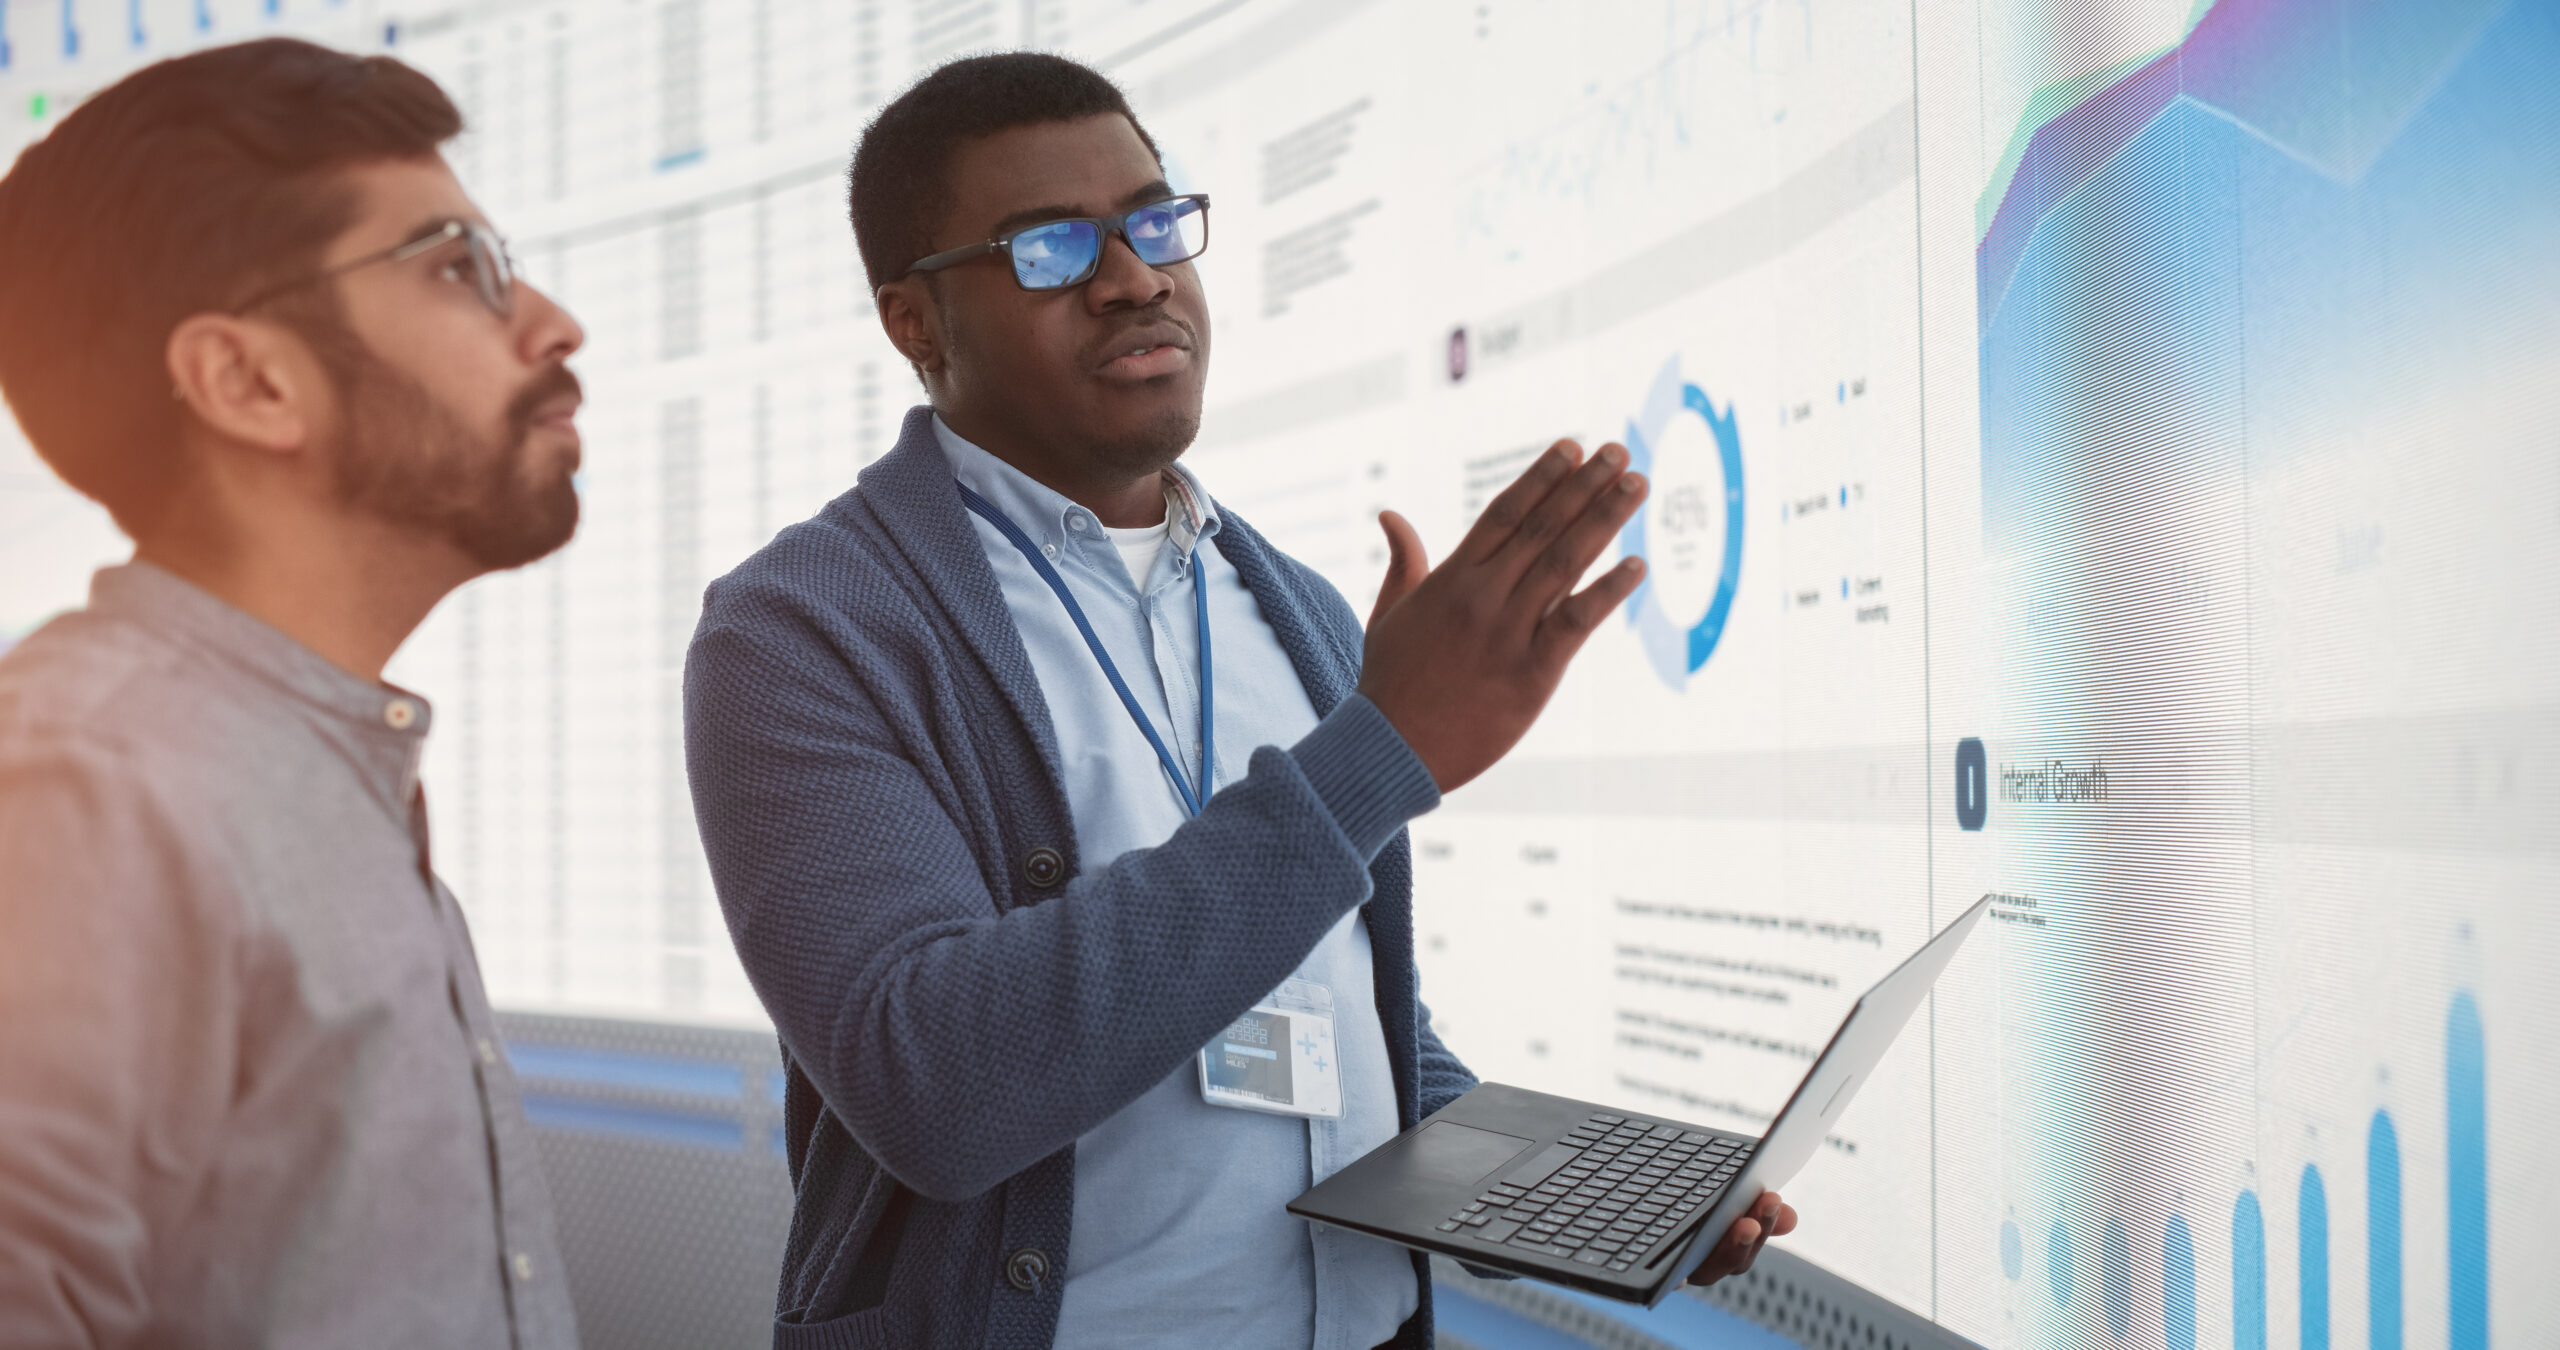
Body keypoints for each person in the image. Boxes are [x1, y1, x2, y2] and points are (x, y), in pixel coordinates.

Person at [683, 53, 1796, 1349]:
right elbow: (936, 1084)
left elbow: (1354, 1040)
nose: (1136, 277)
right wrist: (1382, 749)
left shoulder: (1301, 609)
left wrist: (1600, 1197)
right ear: (915, 324)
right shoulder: (806, 628)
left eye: (1156, 221)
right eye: (1051, 247)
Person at [0, 39, 584, 1347]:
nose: (553, 322)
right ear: (249, 381)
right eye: (457, 267)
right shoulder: (93, 781)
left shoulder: (310, 760)